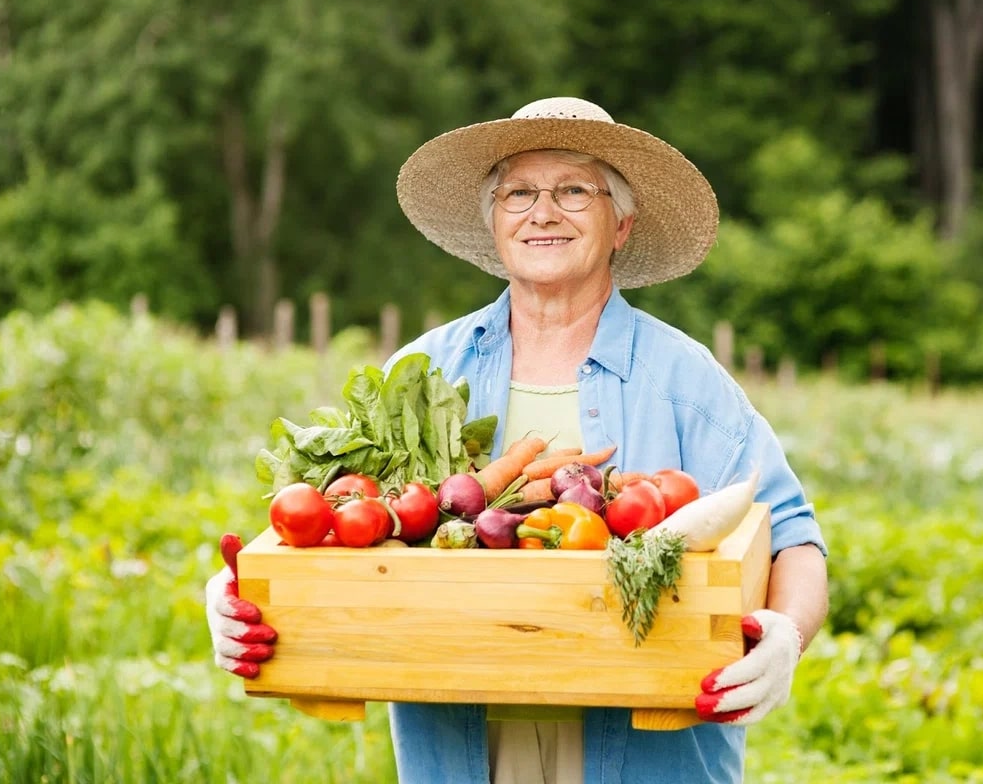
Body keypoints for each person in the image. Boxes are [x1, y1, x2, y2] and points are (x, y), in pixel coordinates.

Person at [206, 96, 829, 784]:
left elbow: (795, 538)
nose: (543, 212)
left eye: (573, 190)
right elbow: (332, 522)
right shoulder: (426, 372)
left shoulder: (685, 380)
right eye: (519, 193)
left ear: (621, 224)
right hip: (462, 749)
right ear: (494, 224)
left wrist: (785, 635)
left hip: (648, 754)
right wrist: (239, 594)